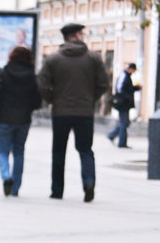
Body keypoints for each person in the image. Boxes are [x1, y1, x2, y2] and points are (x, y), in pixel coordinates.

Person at [37, 22, 111, 202]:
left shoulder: (53, 59)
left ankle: (57, 190)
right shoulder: (93, 58)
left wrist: (53, 99)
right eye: (81, 34)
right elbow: (104, 83)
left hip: (60, 112)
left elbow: (42, 84)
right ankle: (89, 182)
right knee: (85, 149)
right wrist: (91, 98)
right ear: (77, 36)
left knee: (58, 151)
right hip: (85, 112)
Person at [0, 44, 42, 196]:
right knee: (19, 152)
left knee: (2, 151)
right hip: (23, 120)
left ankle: (6, 177)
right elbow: (37, 101)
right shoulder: (32, 76)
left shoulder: (1, 73)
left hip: (3, 118)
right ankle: (15, 188)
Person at [107, 62, 140, 148]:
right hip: (123, 103)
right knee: (124, 123)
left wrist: (135, 88)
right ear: (130, 69)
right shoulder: (124, 76)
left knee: (125, 122)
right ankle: (121, 142)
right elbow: (120, 89)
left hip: (125, 103)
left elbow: (127, 88)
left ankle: (112, 135)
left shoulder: (127, 76)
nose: (133, 72)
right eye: (133, 70)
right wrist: (127, 97)